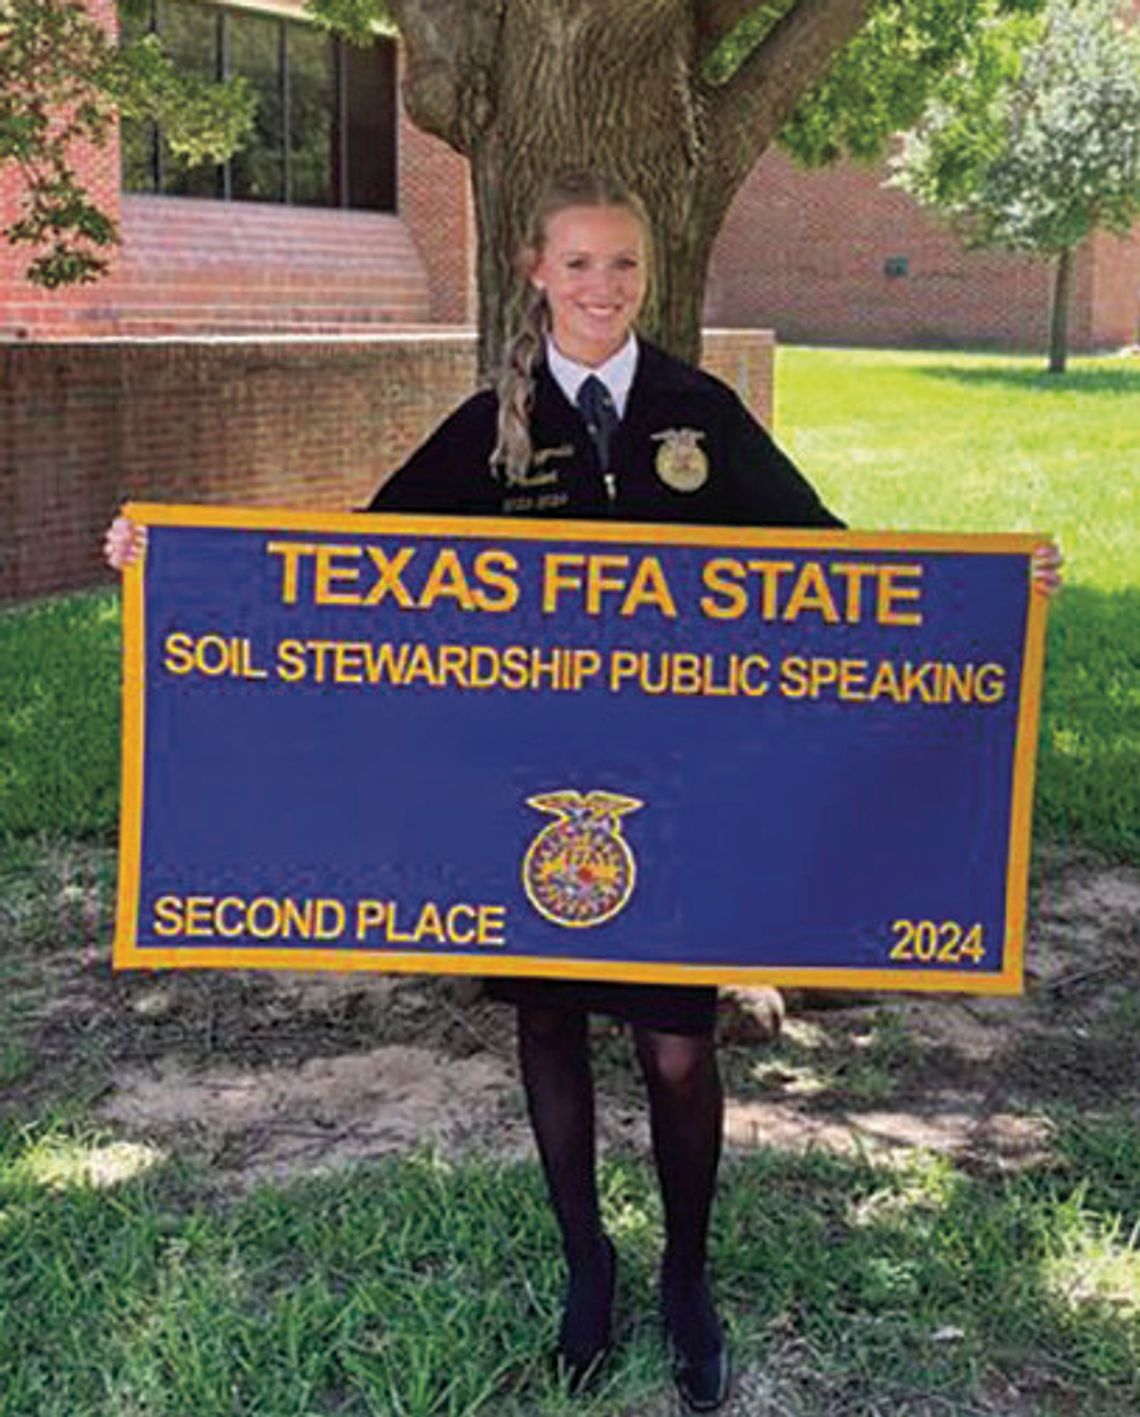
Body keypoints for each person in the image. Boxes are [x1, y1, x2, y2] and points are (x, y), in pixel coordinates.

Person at [105, 168, 1062, 1413]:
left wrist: (992, 591)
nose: (601, 287)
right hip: (528, 808)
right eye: (579, 264)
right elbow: (345, 565)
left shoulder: (696, 411)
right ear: (534, 272)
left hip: (675, 801)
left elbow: (837, 563)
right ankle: (586, 1270)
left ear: (644, 277)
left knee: (676, 1048)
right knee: (547, 1028)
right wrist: (172, 563)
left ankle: (687, 1281)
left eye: (623, 265)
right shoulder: (492, 425)